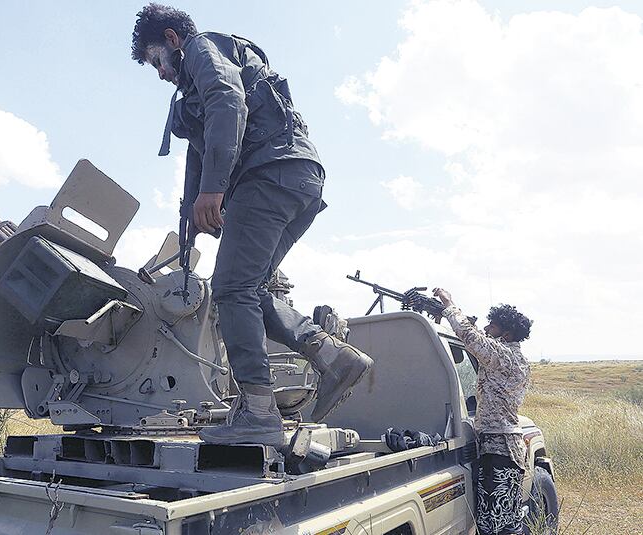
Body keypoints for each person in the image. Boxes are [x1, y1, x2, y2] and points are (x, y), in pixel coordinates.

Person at [131, 3, 373, 447]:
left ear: (171, 40)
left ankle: (259, 413)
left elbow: (228, 101)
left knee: (231, 290)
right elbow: (198, 158)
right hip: (298, 178)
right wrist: (192, 219)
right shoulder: (195, 89)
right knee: (248, 288)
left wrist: (214, 189)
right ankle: (333, 355)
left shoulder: (203, 48)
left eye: (156, 62)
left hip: (269, 175)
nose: (160, 74)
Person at [432, 288, 533, 535]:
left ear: (506, 333)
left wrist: (449, 305)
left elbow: (471, 337)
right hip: (507, 449)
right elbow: (479, 339)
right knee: (508, 520)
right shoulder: (516, 358)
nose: (487, 328)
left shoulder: (503, 356)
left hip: (498, 448)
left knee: (492, 524)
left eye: (493, 326)